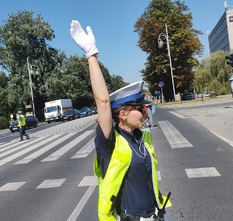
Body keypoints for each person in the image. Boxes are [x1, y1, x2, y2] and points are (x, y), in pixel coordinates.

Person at [70, 20, 171, 221]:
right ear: (122, 114)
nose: (145, 112)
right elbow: (103, 101)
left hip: (156, 215)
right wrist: (91, 53)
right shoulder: (111, 143)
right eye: (140, 108)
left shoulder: (143, 138)